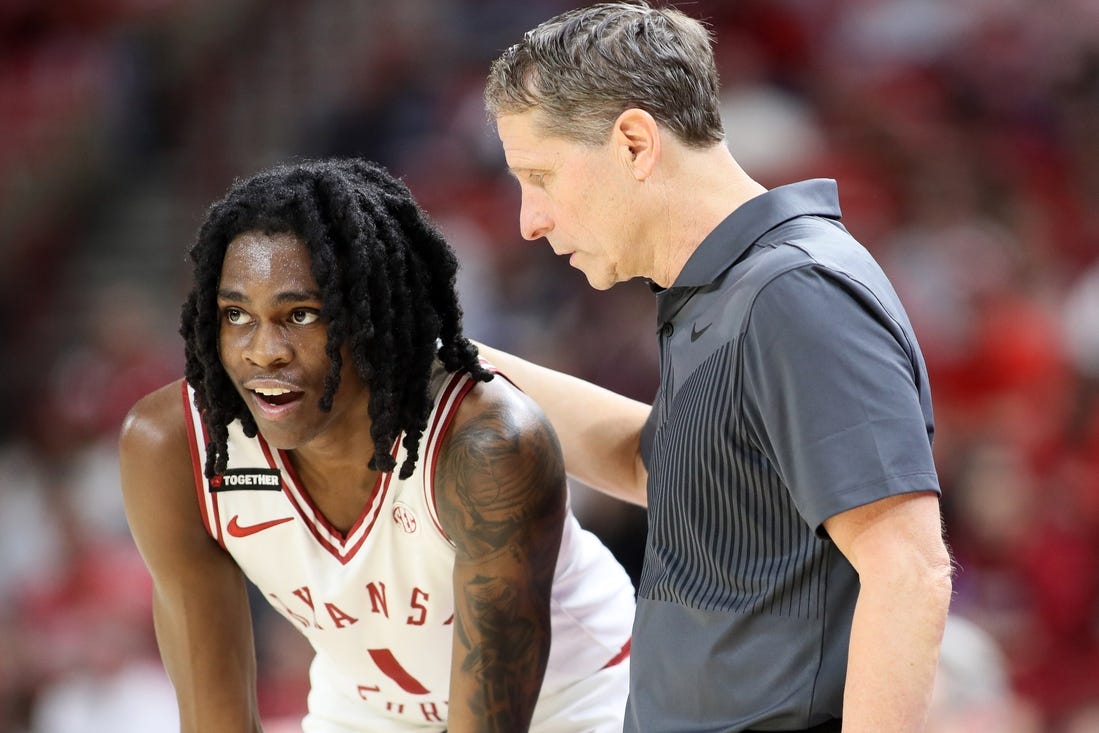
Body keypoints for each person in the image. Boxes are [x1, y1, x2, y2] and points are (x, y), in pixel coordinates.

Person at [479, 3, 954, 732]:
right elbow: (653, 467)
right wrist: (446, 359)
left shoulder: (793, 293)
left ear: (634, 143)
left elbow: (908, 570)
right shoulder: (730, 289)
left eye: (538, 176)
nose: (528, 219)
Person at [118, 158, 635, 733]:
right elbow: (215, 719)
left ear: (367, 315)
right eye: (236, 314)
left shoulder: (487, 447)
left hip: (575, 698)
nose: (264, 351)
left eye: (301, 314)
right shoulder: (172, 448)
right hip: (365, 712)